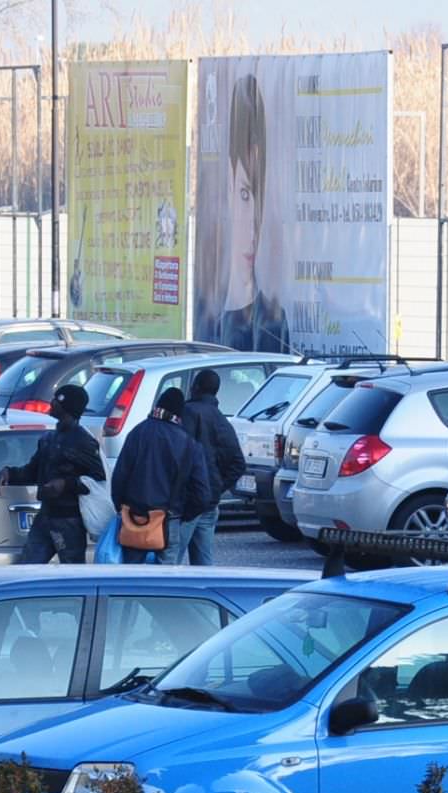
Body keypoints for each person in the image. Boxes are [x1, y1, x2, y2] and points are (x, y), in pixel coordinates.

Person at [198, 75, 289, 353]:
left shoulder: (274, 324)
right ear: (228, 184)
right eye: (245, 194)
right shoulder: (206, 317)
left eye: (259, 200)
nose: (253, 230)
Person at [0, 384, 105, 565]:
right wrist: (9, 473)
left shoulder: (82, 441)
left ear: (66, 406)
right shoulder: (49, 439)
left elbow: (98, 480)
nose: (52, 402)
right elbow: (32, 471)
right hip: (45, 516)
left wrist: (66, 484)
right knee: (27, 569)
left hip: (69, 521)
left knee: (72, 572)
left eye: (57, 399)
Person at [110, 387, 210, 565]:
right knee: (166, 580)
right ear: (179, 414)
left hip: (134, 516)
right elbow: (202, 494)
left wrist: (121, 506)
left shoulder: (137, 433)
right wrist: (183, 515)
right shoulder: (189, 444)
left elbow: (119, 478)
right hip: (169, 518)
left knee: (131, 578)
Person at [178, 368, 247, 565]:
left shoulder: (187, 413)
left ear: (195, 388)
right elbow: (238, 463)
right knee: (204, 564)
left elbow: (179, 455)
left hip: (187, 501)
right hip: (209, 500)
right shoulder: (221, 419)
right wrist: (216, 487)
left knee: (170, 562)